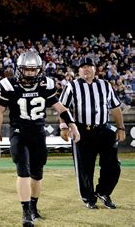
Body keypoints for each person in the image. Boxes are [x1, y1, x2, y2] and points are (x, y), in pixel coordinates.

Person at [0, 51, 79, 227]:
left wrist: (72, 124)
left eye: (34, 69)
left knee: (37, 174)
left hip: (38, 132)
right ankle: (25, 212)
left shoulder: (45, 85)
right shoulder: (9, 86)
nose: (31, 73)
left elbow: (60, 108)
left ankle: (33, 207)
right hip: (19, 132)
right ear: (19, 69)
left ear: (39, 70)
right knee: (23, 170)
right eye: (27, 69)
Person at [59, 57, 126, 210]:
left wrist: (121, 128)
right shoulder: (72, 86)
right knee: (85, 168)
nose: (86, 69)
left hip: (103, 129)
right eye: (82, 67)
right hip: (82, 131)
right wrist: (63, 126)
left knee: (113, 165)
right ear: (79, 70)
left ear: (95, 69)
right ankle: (89, 198)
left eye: (89, 66)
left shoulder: (105, 85)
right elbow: (62, 108)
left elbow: (115, 108)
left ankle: (103, 192)